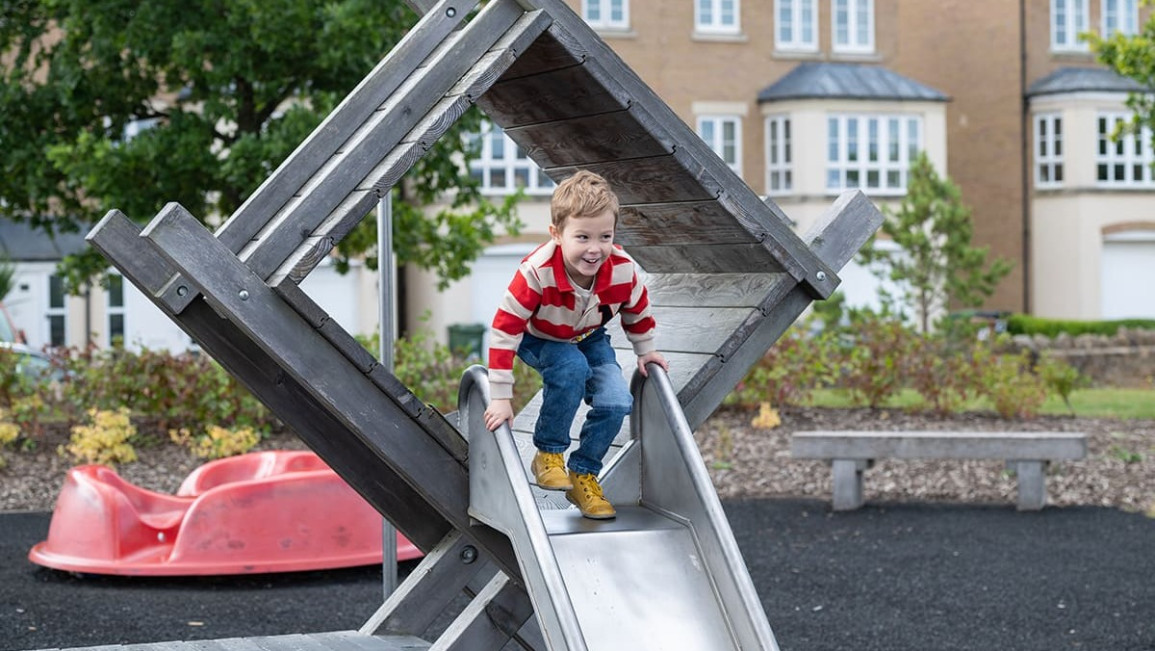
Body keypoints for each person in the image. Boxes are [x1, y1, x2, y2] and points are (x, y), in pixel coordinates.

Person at [483, 170, 669, 520]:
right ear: (557, 234)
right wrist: (500, 395)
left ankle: (584, 473)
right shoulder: (537, 272)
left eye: (605, 237)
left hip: (588, 336)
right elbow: (504, 329)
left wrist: (646, 351)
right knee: (570, 367)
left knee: (616, 400)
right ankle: (548, 453)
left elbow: (637, 310)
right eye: (582, 236)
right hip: (537, 336)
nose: (595, 248)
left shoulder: (623, 271)